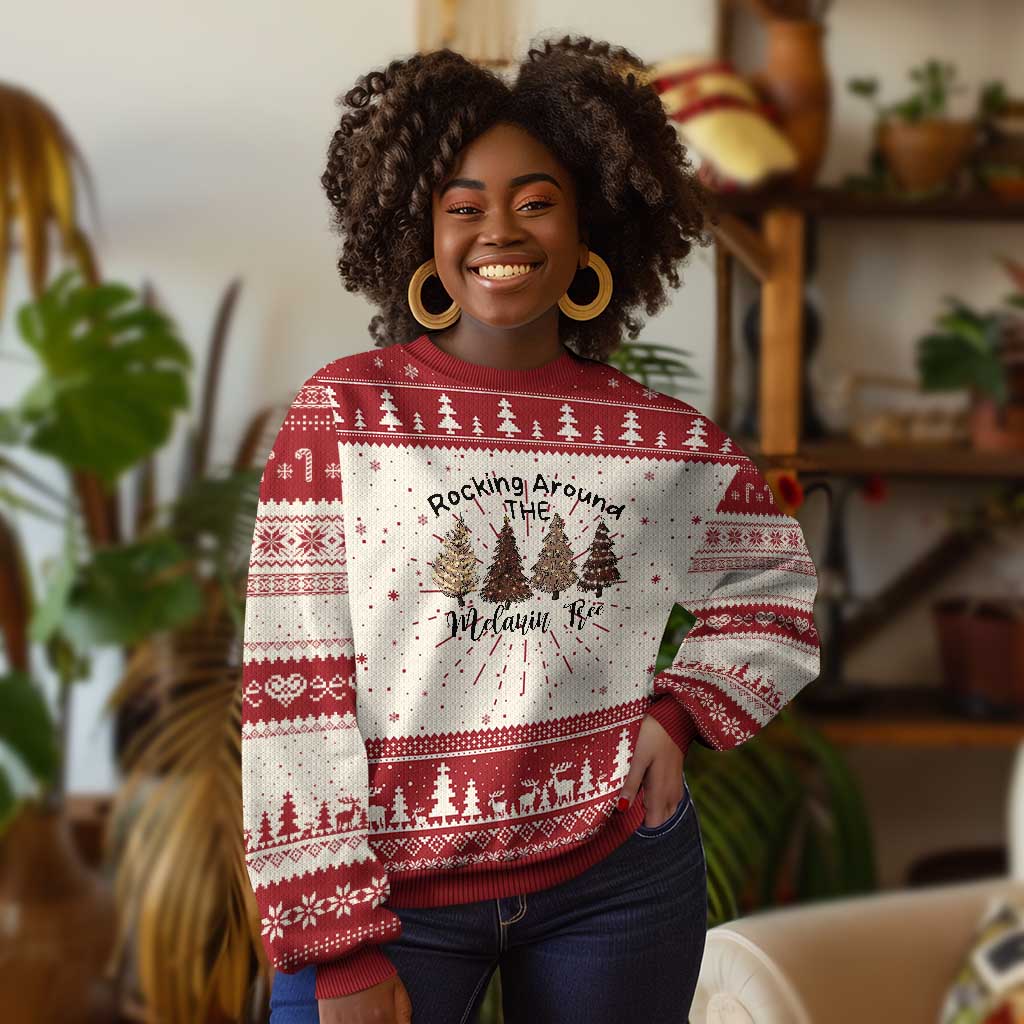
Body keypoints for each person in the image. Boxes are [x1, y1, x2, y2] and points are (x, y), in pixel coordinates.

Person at [241, 34, 821, 1024]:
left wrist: (677, 714)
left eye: (534, 202)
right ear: (419, 231)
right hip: (391, 894)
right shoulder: (346, 415)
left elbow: (775, 590)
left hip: (617, 880)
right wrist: (337, 949)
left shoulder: (657, 436)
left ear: (590, 223)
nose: (497, 230)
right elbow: (293, 689)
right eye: (462, 206)